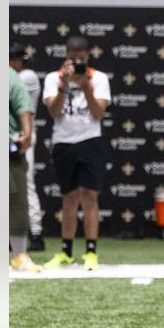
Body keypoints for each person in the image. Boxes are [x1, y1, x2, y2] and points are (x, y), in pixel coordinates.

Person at [41, 35, 111, 271]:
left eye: (81, 59)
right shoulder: (54, 78)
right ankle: (66, 252)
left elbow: (98, 114)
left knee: (90, 196)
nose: (77, 63)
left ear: (88, 57)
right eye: (72, 58)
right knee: (69, 197)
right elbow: (54, 112)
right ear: (65, 56)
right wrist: (64, 86)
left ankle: (91, 252)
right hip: (63, 142)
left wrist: (85, 86)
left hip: (90, 140)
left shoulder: (99, 78)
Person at [10, 42, 45, 252]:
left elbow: (22, 108)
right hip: (9, 135)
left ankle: (37, 233)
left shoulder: (27, 76)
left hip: (23, 135)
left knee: (26, 186)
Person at [8, 63, 40, 273]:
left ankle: (19, 254)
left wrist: (27, 133)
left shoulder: (9, 76)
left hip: (6, 145)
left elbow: (23, 105)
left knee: (16, 200)